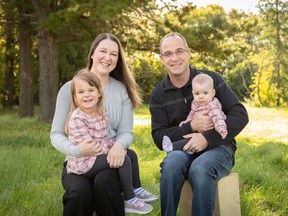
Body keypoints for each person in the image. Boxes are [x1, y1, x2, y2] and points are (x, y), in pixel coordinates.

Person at [51, 33, 157, 216]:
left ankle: (130, 197)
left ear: (118, 59)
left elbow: (126, 132)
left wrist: (118, 146)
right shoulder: (71, 88)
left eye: (113, 54)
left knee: (106, 183)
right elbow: (56, 134)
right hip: (79, 160)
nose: (107, 57)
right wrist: (76, 150)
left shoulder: (122, 90)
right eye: (103, 51)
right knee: (79, 194)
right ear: (92, 53)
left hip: (110, 156)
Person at [149, 32, 249, 216]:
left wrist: (206, 138)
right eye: (168, 53)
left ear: (188, 53)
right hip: (183, 149)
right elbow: (158, 137)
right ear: (162, 58)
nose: (175, 58)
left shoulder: (211, 80)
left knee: (200, 168)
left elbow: (240, 115)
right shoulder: (158, 94)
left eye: (179, 51)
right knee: (171, 164)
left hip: (219, 147)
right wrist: (191, 126)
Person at [66, 69, 152, 214]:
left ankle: (137, 189)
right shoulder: (77, 119)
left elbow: (104, 137)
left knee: (131, 154)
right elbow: (91, 147)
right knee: (123, 159)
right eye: (80, 92)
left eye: (90, 90)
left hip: (97, 155)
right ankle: (129, 199)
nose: (86, 95)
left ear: (99, 93)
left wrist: (116, 147)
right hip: (84, 162)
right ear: (75, 97)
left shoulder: (99, 112)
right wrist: (113, 150)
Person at [162, 73, 228, 153]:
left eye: (205, 93)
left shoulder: (212, 105)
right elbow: (191, 116)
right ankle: (190, 149)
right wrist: (186, 123)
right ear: (193, 93)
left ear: (213, 93)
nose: (201, 96)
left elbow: (218, 117)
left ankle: (171, 147)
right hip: (197, 133)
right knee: (188, 138)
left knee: (188, 140)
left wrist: (221, 128)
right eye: (197, 93)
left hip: (210, 133)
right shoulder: (196, 104)